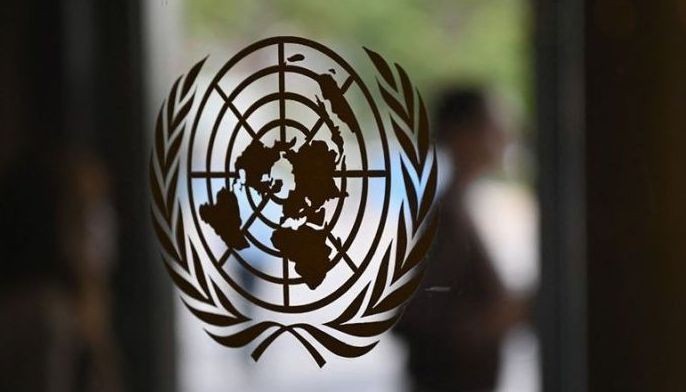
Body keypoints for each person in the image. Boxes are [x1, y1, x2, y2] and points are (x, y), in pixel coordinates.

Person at [395, 87, 525, 392]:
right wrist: (498, 317)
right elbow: (416, 317)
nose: (503, 135)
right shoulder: (449, 216)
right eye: (492, 125)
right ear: (461, 135)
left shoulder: (454, 209)